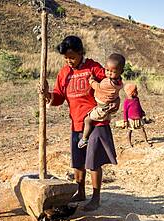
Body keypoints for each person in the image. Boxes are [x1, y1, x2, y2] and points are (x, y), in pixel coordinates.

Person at [45, 36, 117, 211]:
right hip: (76, 123)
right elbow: (58, 97)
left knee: (93, 162)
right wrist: (48, 95)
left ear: (81, 53)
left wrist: (116, 98)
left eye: (72, 57)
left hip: (96, 122)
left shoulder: (93, 68)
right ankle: (81, 191)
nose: (69, 61)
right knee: (78, 162)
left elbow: (110, 83)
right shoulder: (64, 73)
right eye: (66, 58)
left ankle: (96, 197)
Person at [78, 53, 125, 149]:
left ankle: (84, 139)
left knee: (87, 120)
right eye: (107, 70)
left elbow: (97, 87)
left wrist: (91, 80)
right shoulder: (119, 81)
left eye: (113, 71)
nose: (109, 73)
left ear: (121, 71)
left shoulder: (107, 82)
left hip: (102, 108)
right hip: (107, 106)